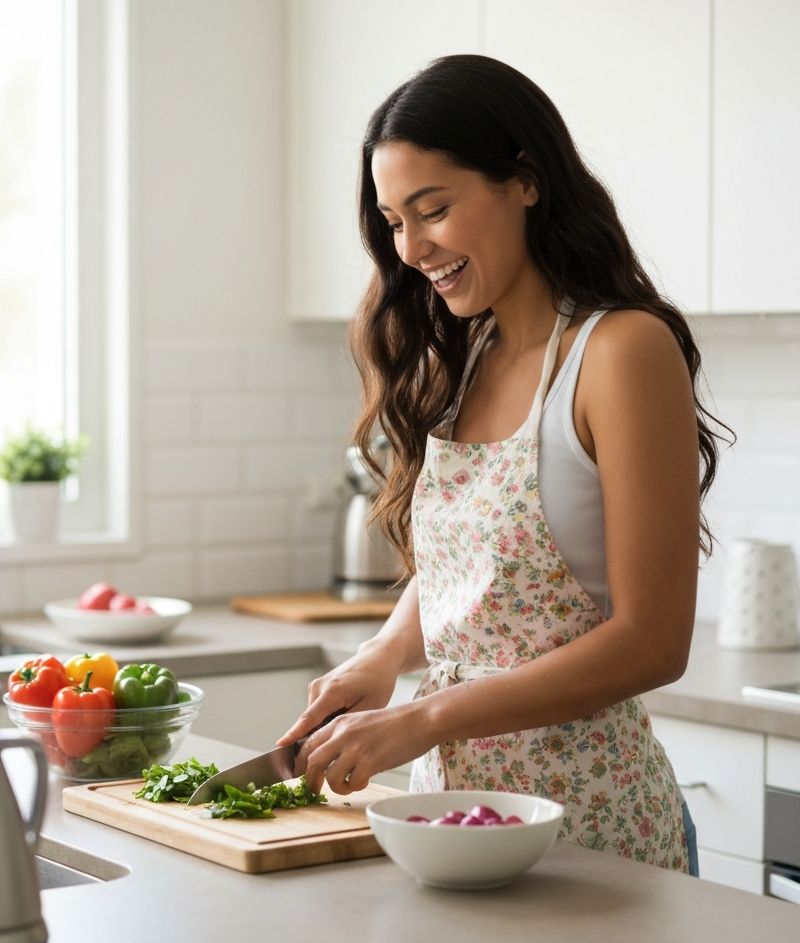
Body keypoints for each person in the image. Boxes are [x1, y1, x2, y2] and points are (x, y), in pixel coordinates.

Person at [277, 54, 731, 873]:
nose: (411, 247)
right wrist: (383, 657)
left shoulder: (621, 351)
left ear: (523, 180)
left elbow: (655, 642)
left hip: (594, 834)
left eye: (433, 209)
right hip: (452, 824)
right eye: (392, 221)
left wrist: (425, 718)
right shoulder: (466, 354)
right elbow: (472, 569)